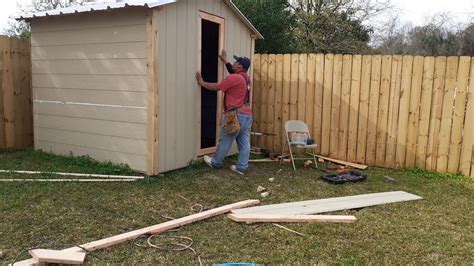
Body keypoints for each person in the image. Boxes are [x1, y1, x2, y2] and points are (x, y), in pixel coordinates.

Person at [195, 51, 253, 175]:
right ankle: (242, 167)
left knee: (226, 139)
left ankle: (215, 162)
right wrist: (225, 60)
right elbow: (233, 74)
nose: (234, 63)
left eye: (236, 62)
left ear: (239, 66)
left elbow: (218, 87)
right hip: (247, 115)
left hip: (235, 115)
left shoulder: (234, 78)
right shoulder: (246, 79)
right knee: (244, 142)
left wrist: (202, 83)